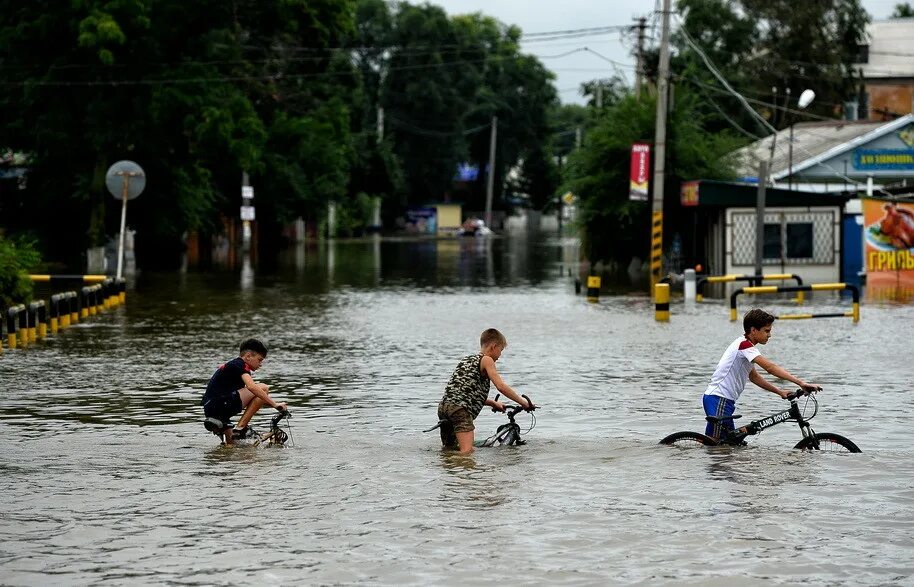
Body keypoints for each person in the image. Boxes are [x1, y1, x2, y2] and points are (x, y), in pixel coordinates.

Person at [703, 309, 820, 439]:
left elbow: (754, 377)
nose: (769, 335)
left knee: (726, 447)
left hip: (721, 400)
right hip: (719, 399)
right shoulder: (744, 345)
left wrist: (779, 391)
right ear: (753, 330)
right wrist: (800, 382)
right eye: (766, 331)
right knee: (717, 447)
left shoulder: (746, 347)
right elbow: (770, 368)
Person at [436, 328, 534, 454]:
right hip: (460, 411)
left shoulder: (466, 360)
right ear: (494, 346)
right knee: (467, 452)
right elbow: (501, 386)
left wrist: (493, 403)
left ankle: (446, 471)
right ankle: (464, 469)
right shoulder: (487, 360)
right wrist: (523, 403)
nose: (500, 355)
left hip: (444, 408)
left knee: (450, 450)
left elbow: (463, 394)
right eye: (501, 350)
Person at [201, 338, 287, 445]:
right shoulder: (239, 364)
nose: (260, 364)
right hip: (220, 404)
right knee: (263, 388)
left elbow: (255, 400)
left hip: (212, 410)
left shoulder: (235, 366)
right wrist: (275, 405)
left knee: (233, 445)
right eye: (259, 360)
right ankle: (241, 428)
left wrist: (274, 405)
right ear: (248, 356)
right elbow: (252, 388)